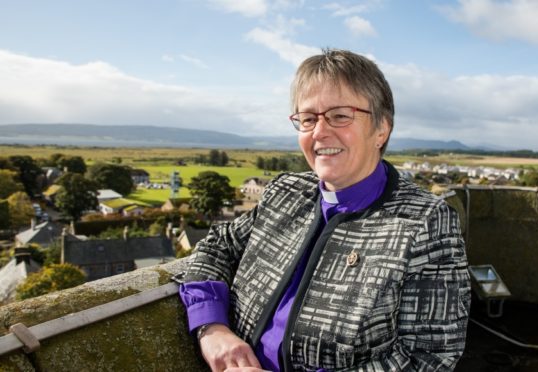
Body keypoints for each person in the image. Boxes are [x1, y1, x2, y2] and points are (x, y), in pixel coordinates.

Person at [176, 49, 470, 371]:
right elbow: (218, 246)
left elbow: (428, 357)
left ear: (381, 129)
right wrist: (212, 329)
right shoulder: (284, 192)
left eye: (340, 115)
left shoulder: (424, 221)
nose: (319, 132)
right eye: (307, 118)